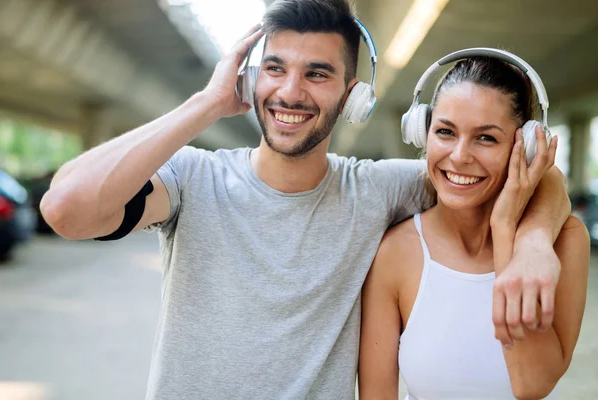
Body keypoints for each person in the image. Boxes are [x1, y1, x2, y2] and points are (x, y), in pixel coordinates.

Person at [40, 1, 570, 399]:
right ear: (251, 79)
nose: (290, 92)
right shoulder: (192, 179)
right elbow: (65, 209)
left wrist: (533, 244)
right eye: (275, 68)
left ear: (353, 95)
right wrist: (204, 105)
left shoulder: (378, 189)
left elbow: (525, 172)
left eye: (317, 74)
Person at [358, 52, 589, 400]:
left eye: (486, 138)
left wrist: (507, 228)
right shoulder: (396, 251)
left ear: (523, 147)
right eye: (446, 132)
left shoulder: (564, 243)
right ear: (424, 133)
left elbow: (532, 385)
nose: (460, 156)